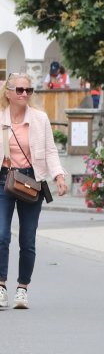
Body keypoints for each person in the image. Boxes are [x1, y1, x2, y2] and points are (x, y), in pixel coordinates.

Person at [0, 75, 66, 311]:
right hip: (4, 179)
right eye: (19, 89)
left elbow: (50, 151)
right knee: (1, 235)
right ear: (8, 93)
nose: (24, 94)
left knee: (27, 239)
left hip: (30, 181)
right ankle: (1, 286)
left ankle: (22, 288)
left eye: (28, 90)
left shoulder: (40, 119)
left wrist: (58, 176)